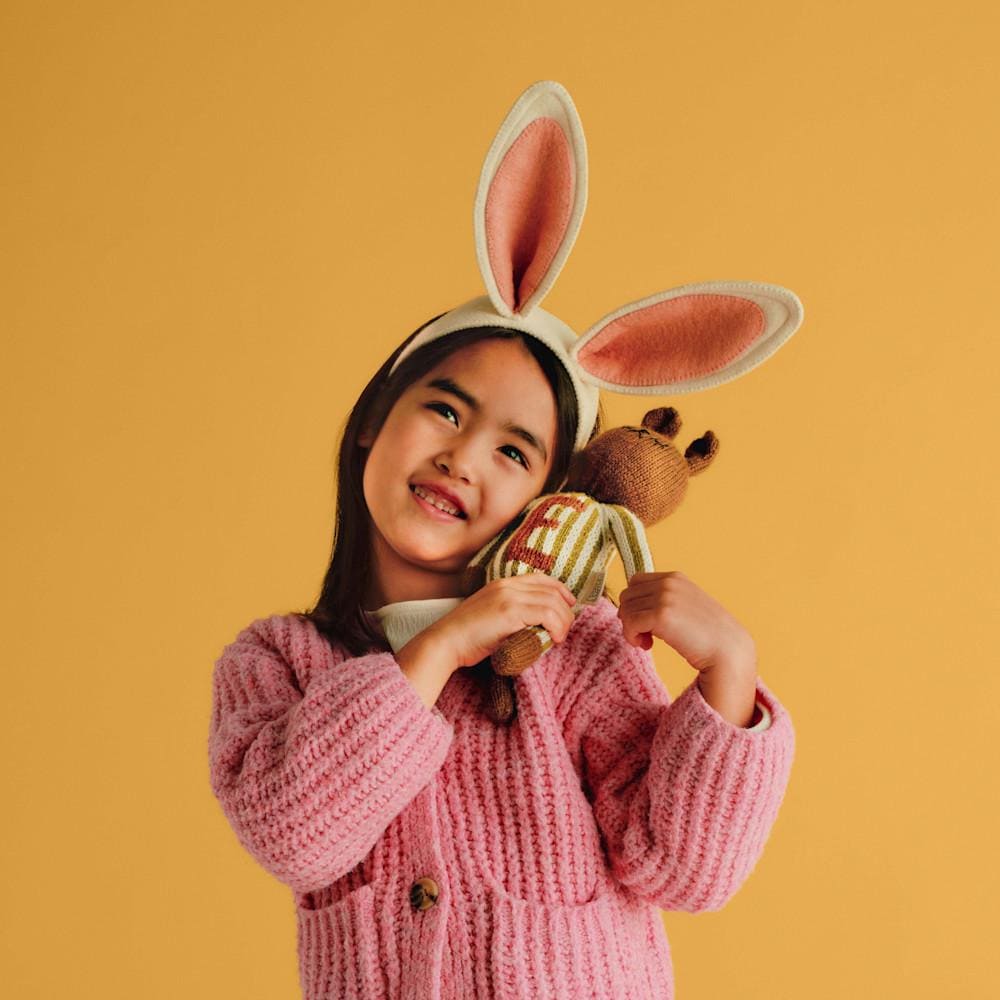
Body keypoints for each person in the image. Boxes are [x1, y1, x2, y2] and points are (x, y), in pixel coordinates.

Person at [208, 80, 799, 1000]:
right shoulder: (278, 662)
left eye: (514, 452)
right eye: (444, 410)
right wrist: (442, 646)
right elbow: (293, 834)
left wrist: (729, 673)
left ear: (548, 500)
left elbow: (682, 870)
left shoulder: (580, 656)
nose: (462, 458)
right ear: (372, 421)